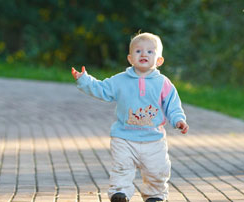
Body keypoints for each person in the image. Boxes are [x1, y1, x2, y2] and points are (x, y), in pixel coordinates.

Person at [71, 32, 188, 202]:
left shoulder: (163, 83)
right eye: (138, 51)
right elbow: (102, 89)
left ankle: (155, 195)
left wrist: (179, 120)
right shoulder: (120, 80)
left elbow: (173, 105)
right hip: (123, 137)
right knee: (122, 167)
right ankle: (120, 193)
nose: (143, 54)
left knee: (157, 170)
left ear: (159, 60)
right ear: (130, 58)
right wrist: (85, 80)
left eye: (150, 51)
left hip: (154, 139)